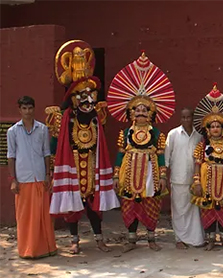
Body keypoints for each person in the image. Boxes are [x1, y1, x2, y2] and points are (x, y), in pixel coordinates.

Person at [46, 40, 119, 254]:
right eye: (82, 96)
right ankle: (75, 240)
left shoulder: (96, 118)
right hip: (73, 166)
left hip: (93, 164)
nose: (88, 100)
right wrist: (53, 167)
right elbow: (55, 144)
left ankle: (99, 239)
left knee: (94, 206)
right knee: (72, 204)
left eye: (91, 95)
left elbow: (101, 143)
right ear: (74, 100)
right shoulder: (65, 118)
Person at [107, 52, 175, 252]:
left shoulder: (156, 133)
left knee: (151, 204)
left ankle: (151, 239)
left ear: (151, 113)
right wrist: (116, 175)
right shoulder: (126, 133)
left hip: (150, 173)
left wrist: (162, 176)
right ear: (131, 113)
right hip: (129, 172)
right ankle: (131, 240)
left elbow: (161, 155)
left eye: (145, 110)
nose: (141, 113)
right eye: (137, 110)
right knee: (130, 205)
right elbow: (120, 154)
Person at [7, 96, 57, 259]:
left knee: (43, 216)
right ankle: (27, 250)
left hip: (40, 178)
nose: (27, 111)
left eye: (30, 108)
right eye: (24, 108)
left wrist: (48, 175)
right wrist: (13, 179)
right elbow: (11, 155)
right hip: (22, 179)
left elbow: (46, 153)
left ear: (34, 109)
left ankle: (45, 248)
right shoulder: (12, 131)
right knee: (24, 217)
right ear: (19, 110)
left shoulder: (42, 129)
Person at [191, 83, 223, 251]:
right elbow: (197, 166)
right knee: (208, 210)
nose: (215, 128)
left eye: (218, 126)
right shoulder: (201, 146)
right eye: (212, 126)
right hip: (208, 184)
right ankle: (211, 239)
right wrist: (197, 183)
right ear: (208, 129)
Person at [165, 107, 206, 249]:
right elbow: (166, 157)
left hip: (195, 180)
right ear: (180, 118)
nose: (186, 120)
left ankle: (196, 239)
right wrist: (163, 176)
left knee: (194, 210)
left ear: (193, 118)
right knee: (179, 210)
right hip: (178, 178)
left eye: (188, 117)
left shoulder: (198, 136)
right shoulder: (173, 134)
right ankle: (179, 239)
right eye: (183, 117)